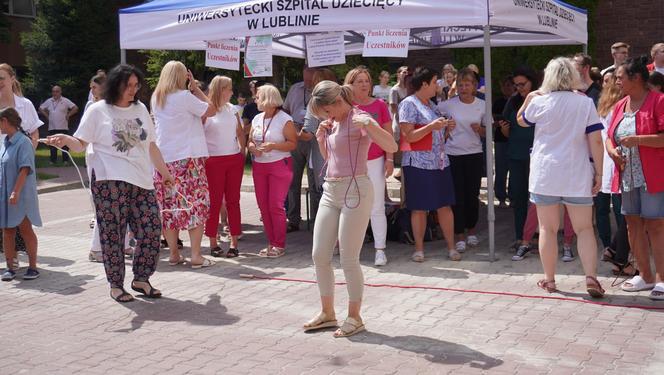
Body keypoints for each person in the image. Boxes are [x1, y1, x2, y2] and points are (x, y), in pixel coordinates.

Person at [44, 64, 174, 301]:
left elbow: (151, 145)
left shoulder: (141, 109)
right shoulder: (97, 110)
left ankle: (141, 278)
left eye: (136, 85)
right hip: (109, 180)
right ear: (116, 85)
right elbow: (80, 143)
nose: (133, 90)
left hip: (142, 180)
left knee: (152, 229)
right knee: (112, 233)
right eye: (128, 86)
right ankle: (116, 285)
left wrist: (164, 173)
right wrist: (65, 139)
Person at [303, 80, 397, 338]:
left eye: (326, 111)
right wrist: (322, 136)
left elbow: (392, 146)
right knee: (320, 254)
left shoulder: (360, 117)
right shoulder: (333, 123)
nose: (326, 117)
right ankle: (327, 313)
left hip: (356, 189)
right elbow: (331, 157)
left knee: (348, 258)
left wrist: (370, 126)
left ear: (335, 102)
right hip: (331, 190)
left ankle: (355, 317)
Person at [517, 57, 605, 298]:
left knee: (547, 228)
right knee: (585, 228)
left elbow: (521, 121)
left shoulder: (540, 101)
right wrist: (599, 172)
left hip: (546, 173)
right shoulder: (584, 102)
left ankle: (550, 280)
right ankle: (591, 277)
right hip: (576, 172)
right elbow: (596, 140)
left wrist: (528, 98)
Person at [606, 57, 664, 299]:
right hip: (627, 176)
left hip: (653, 176)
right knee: (632, 224)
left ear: (636, 78)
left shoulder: (659, 101)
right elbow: (610, 137)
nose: (617, 81)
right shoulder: (621, 105)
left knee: (656, 225)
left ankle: (662, 278)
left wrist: (638, 140)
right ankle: (645, 276)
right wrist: (612, 151)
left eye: (621, 77)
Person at [151, 60, 216, 269]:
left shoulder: (156, 97)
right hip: (188, 158)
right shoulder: (185, 97)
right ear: (182, 77)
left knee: (170, 207)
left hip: (164, 159)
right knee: (195, 205)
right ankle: (196, 255)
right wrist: (196, 89)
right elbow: (212, 110)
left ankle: (173, 254)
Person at [398, 67, 457, 262]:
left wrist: (446, 129)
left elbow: (437, 136)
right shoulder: (409, 104)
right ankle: (419, 249)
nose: (437, 85)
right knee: (420, 207)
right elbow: (408, 135)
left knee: (445, 205)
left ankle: (451, 247)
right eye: (434, 82)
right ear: (424, 84)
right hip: (418, 164)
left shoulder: (432, 105)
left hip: (439, 162)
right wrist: (432, 126)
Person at [345, 67, 393, 266]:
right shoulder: (345, 106)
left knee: (376, 206)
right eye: (359, 82)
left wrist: (389, 159)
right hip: (352, 163)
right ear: (351, 85)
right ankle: (349, 249)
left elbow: (389, 135)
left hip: (375, 161)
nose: (364, 85)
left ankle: (380, 250)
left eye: (366, 81)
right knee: (350, 205)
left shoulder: (380, 105)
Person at [438, 68, 486, 254]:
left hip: (474, 153)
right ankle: (459, 235)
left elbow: (487, 130)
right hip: (453, 154)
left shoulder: (482, 105)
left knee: (472, 194)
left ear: (475, 86)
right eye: (461, 85)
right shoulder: (448, 105)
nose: (464, 88)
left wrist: (479, 130)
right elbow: (434, 119)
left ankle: (472, 231)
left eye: (468, 85)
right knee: (457, 196)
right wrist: (445, 128)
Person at [0, 63, 43, 268]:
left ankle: (23, 260)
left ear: (11, 79)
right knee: (4, 217)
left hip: (19, 166)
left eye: (2, 78)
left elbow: (34, 132)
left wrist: (29, 151)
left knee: (20, 214)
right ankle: (10, 260)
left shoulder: (24, 104)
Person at [248, 84, 297, 257]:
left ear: (268, 98)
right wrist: (253, 148)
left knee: (275, 205)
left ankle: (279, 244)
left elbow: (293, 143)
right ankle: (271, 243)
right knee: (263, 206)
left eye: (258, 96)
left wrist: (274, 146)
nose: (255, 99)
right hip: (260, 165)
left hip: (279, 164)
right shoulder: (256, 118)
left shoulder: (285, 119)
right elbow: (250, 141)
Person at [203, 76, 245, 258]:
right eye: (229, 89)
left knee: (233, 201)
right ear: (220, 90)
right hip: (213, 161)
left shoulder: (233, 109)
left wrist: (243, 153)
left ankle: (234, 242)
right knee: (214, 201)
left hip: (234, 159)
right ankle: (213, 241)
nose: (232, 92)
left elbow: (240, 132)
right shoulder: (206, 111)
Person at [596, 72, 634, 276]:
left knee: (621, 212)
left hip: (608, 162)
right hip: (617, 162)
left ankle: (613, 249)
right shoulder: (617, 108)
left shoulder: (605, 107)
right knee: (625, 213)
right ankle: (618, 255)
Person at [500, 67, 538, 257]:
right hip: (516, 155)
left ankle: (536, 237)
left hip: (538, 158)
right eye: (516, 85)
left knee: (538, 200)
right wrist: (505, 130)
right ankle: (520, 237)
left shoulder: (541, 100)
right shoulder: (513, 101)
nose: (520, 89)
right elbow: (504, 132)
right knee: (519, 197)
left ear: (532, 82)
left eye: (523, 84)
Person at [0, 108, 41, 281]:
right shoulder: (5, 141)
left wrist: (15, 192)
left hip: (21, 195)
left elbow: (25, 168)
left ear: (4, 121)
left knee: (25, 229)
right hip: (5, 195)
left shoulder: (23, 142)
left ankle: (33, 267)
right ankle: (10, 268)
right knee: (7, 230)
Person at [300, 68, 338, 222]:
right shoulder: (342, 100)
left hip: (321, 155)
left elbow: (308, 132)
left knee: (323, 194)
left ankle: (323, 229)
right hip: (341, 155)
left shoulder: (314, 102)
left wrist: (293, 132)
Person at [283, 67, 316, 232]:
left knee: (314, 180)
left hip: (314, 137)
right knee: (292, 180)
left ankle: (317, 219)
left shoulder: (320, 90)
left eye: (313, 73)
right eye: (307, 73)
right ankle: (293, 219)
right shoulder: (295, 89)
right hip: (295, 136)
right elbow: (286, 110)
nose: (309, 79)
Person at [39, 85, 78, 165]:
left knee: (65, 144)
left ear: (60, 92)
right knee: (52, 144)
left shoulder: (65, 100)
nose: (55, 93)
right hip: (52, 127)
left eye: (57, 91)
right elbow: (40, 108)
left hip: (63, 126)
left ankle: (65, 160)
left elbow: (75, 108)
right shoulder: (49, 101)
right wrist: (47, 116)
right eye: (53, 91)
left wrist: (68, 115)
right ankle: (53, 161)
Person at [493, 75, 514, 208]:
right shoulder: (498, 102)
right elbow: (492, 121)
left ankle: (513, 196)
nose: (507, 88)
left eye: (509, 85)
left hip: (514, 139)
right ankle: (500, 197)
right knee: (501, 169)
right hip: (501, 140)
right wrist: (499, 122)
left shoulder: (518, 101)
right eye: (504, 85)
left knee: (514, 169)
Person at [389, 66, 409, 140]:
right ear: (398, 74)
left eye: (407, 73)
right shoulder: (394, 90)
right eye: (404, 72)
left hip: (410, 123)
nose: (406, 74)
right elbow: (393, 110)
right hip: (399, 122)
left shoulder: (410, 89)